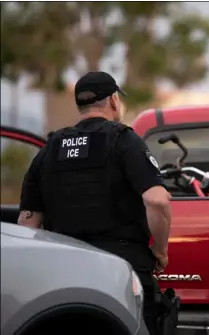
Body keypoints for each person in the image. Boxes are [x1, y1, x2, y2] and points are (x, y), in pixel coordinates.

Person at [18, 71, 172, 335]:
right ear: (113, 100)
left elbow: (28, 222)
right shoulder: (124, 140)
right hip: (121, 269)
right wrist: (160, 251)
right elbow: (157, 201)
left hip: (64, 271)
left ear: (81, 105)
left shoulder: (50, 148)